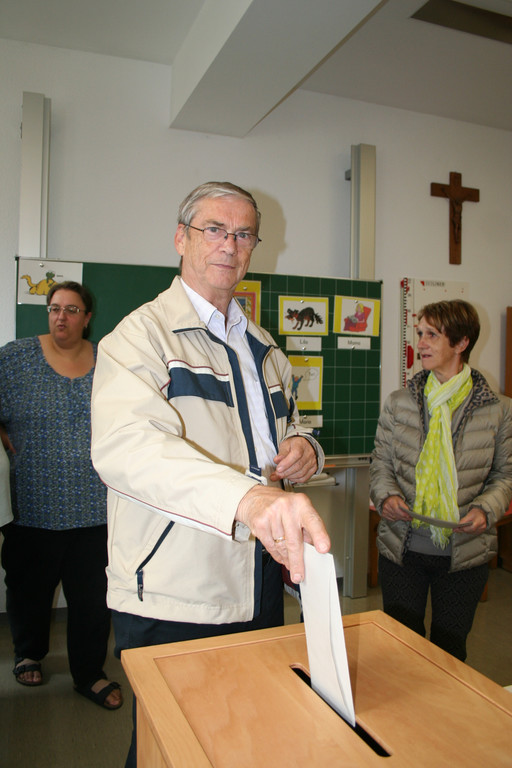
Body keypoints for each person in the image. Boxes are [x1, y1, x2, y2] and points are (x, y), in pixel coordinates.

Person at [90, 181, 331, 765]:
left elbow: (290, 427)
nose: (230, 244)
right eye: (214, 229)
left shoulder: (265, 348)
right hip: (177, 590)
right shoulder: (139, 336)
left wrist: (305, 448)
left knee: (245, 737)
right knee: (169, 749)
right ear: (181, 238)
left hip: (258, 578)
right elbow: (127, 447)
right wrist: (248, 499)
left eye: (244, 234)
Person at [0, 281, 122, 710]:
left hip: (95, 508)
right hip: (31, 507)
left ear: (87, 317)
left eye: (71, 309)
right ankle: (28, 653)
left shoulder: (109, 360)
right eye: (54, 308)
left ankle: (89, 673)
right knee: (28, 591)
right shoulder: (15, 358)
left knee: (92, 599)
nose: (61, 317)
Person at [370, 299, 512, 661]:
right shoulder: (399, 403)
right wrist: (387, 497)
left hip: (465, 554)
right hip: (402, 548)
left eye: (432, 334)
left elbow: (505, 475)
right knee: (401, 650)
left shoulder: (499, 409)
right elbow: (381, 464)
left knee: (449, 652)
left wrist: (485, 509)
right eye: (420, 333)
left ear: (462, 342)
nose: (421, 343)